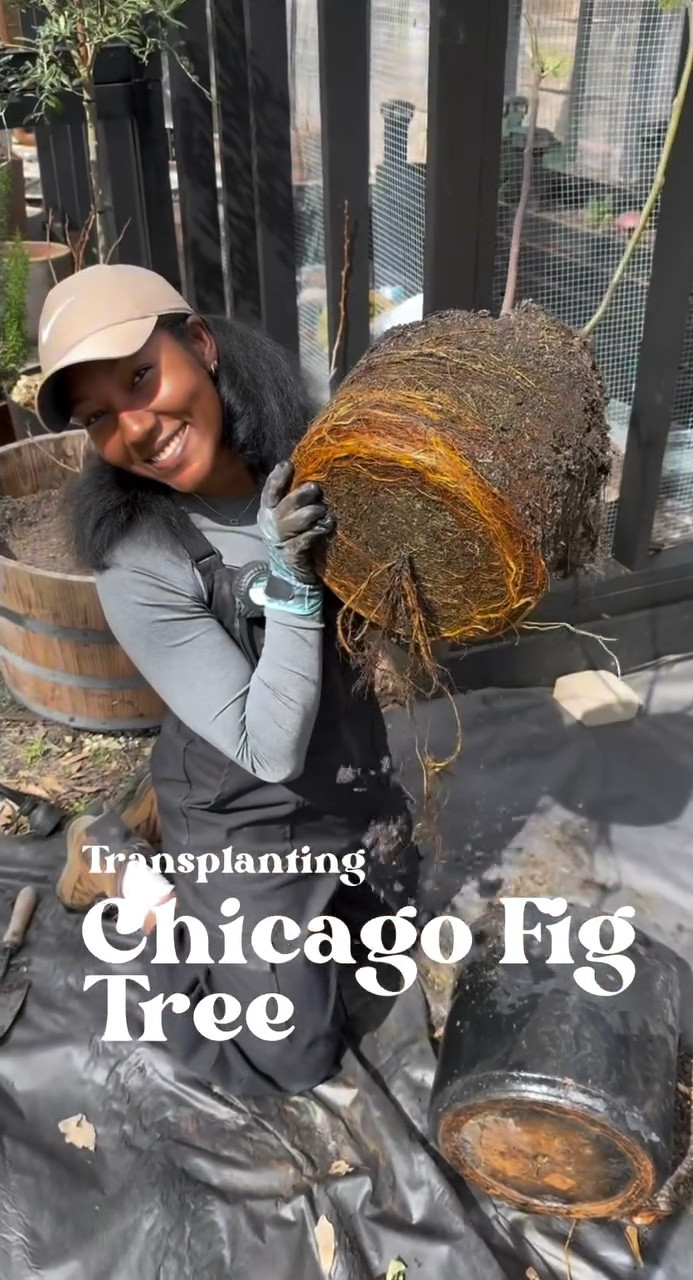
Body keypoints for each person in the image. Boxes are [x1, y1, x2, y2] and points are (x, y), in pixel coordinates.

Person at [36, 263, 417, 1098]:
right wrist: (290, 581)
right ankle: (123, 865)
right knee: (290, 1052)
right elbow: (266, 745)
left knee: (388, 943)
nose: (136, 427)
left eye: (142, 377)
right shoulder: (138, 562)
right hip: (244, 809)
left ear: (200, 345)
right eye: (100, 417)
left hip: (351, 777)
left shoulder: (309, 459)